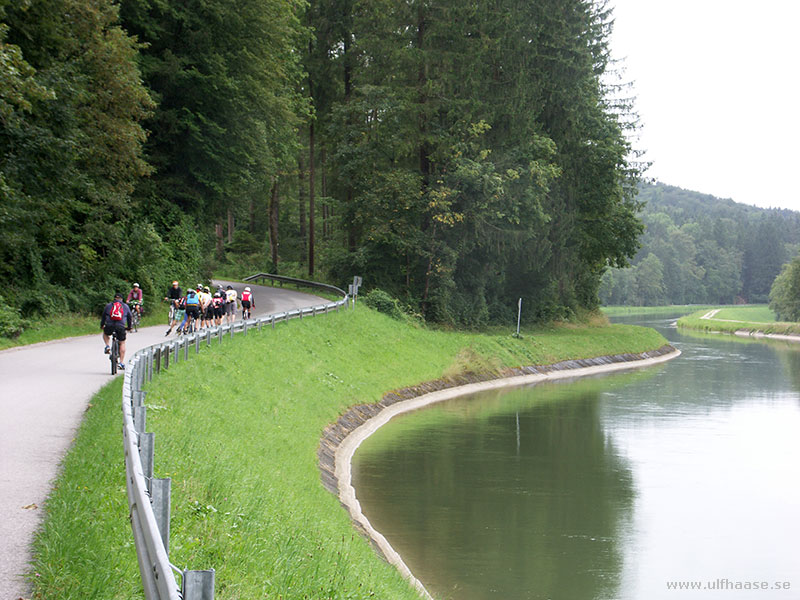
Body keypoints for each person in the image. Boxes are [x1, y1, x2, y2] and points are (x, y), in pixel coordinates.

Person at [101, 293, 132, 370]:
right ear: (122, 299)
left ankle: (107, 346)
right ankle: (121, 363)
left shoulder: (108, 306)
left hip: (109, 326)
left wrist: (102, 325)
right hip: (120, 327)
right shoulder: (125, 306)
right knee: (122, 342)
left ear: (114, 298)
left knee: (105, 334)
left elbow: (103, 316)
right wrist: (129, 327)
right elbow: (129, 317)